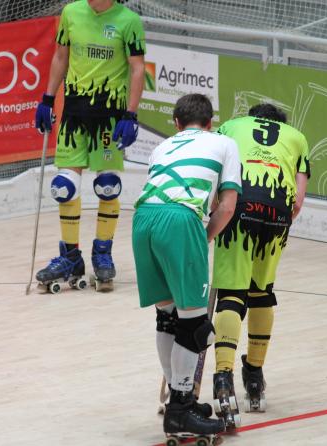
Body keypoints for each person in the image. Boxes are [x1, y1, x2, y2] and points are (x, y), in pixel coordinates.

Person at [132, 94, 242, 437]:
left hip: (142, 219)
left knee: (167, 317)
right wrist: (203, 237)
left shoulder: (161, 147)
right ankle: (180, 410)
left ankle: (179, 403)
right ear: (210, 123)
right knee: (195, 327)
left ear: (176, 124)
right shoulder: (224, 143)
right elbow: (227, 206)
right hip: (181, 220)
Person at [34, 0, 145, 288]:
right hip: (74, 113)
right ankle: (70, 256)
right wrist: (47, 99)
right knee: (63, 186)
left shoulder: (129, 21)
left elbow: (137, 69)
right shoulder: (71, 13)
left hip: (109, 116)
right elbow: (61, 56)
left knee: (108, 185)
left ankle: (103, 253)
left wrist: (131, 114)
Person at [210, 103, 310, 422]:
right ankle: (254, 374)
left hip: (238, 208)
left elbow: (213, 170)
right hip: (276, 214)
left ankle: (223, 377)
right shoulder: (297, 137)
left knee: (231, 296)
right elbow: (298, 201)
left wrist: (213, 213)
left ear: (251, 117)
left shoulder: (231, 126)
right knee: (261, 292)